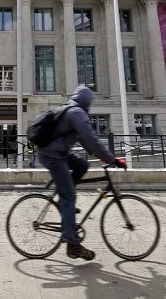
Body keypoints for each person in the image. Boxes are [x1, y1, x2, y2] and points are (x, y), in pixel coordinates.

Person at [37, 85, 126, 261]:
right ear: (87, 102)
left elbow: (85, 140)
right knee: (69, 196)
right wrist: (112, 160)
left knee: (82, 165)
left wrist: (99, 155)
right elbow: (92, 139)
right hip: (53, 156)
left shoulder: (70, 109)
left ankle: (64, 198)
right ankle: (73, 245)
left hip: (57, 152)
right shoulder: (77, 113)